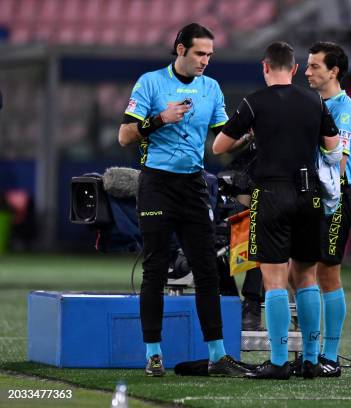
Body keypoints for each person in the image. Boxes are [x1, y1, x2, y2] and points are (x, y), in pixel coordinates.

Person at [118, 23, 249, 378]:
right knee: (156, 269)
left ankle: (218, 356)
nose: (206, 60)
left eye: (210, 54)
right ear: (180, 50)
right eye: (199, 53)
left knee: (207, 270)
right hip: (156, 184)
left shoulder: (212, 88)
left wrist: (249, 133)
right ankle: (154, 355)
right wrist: (160, 119)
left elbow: (224, 139)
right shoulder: (150, 82)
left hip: (193, 186)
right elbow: (124, 135)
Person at [213, 41, 339, 379]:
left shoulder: (254, 103)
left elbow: (219, 146)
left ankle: (281, 361)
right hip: (309, 193)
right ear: (295, 69)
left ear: (265, 67)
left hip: (270, 192)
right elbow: (332, 146)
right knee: (308, 278)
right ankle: (311, 360)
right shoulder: (315, 100)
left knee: (274, 280)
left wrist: (252, 137)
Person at [289, 41, 351, 377]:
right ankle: (310, 352)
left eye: (315, 65)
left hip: (334, 199)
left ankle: (329, 356)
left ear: (334, 71)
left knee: (327, 274)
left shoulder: (344, 109)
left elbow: (340, 164)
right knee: (296, 273)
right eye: (307, 64)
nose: (307, 71)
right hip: (307, 199)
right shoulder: (312, 104)